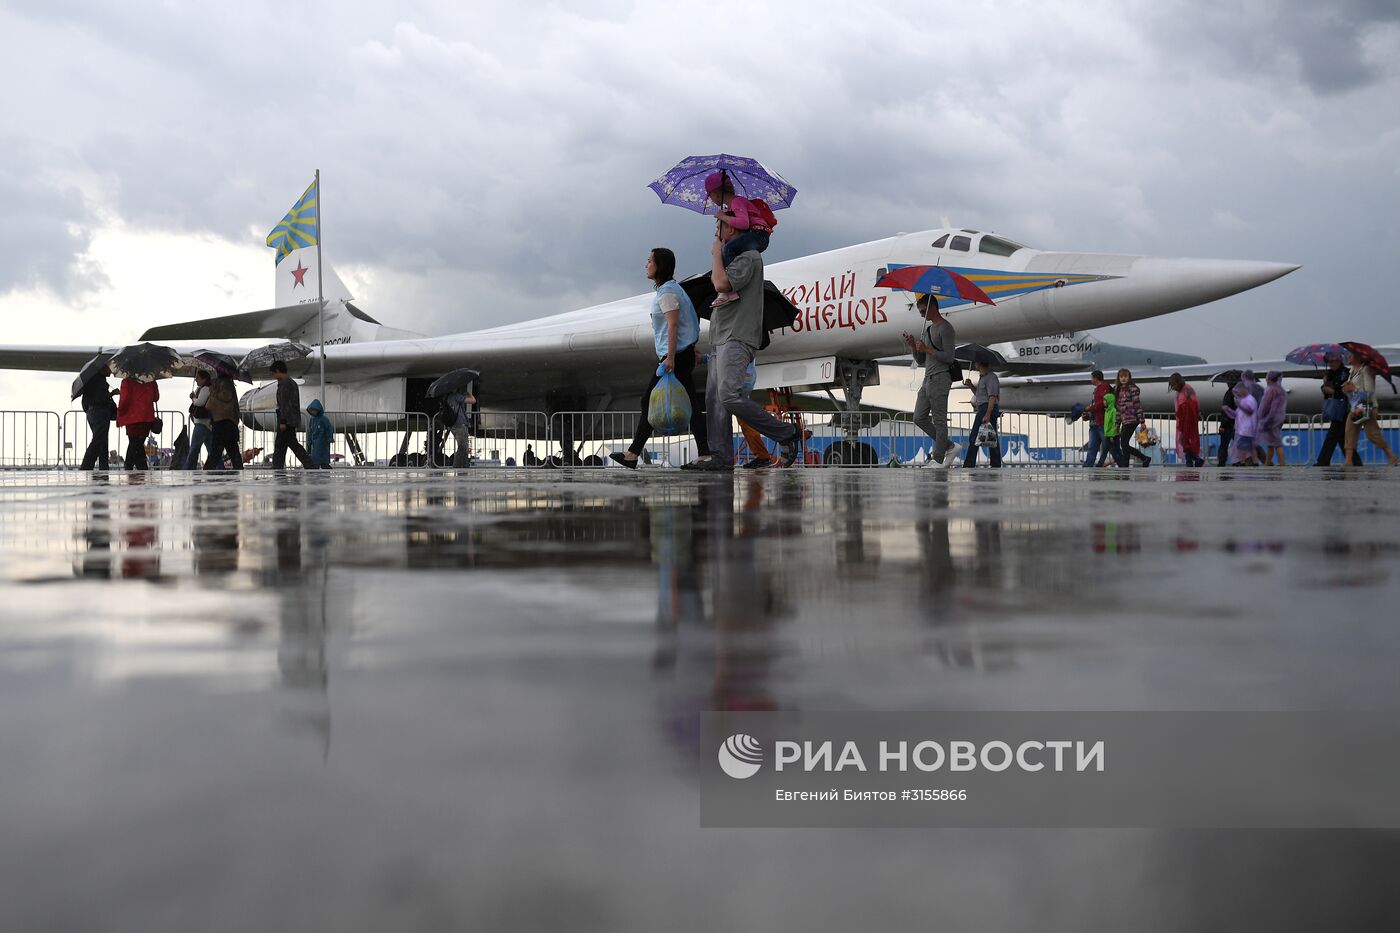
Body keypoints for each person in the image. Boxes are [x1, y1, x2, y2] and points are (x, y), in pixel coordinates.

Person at [696, 221, 799, 471]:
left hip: (737, 335)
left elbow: (721, 284)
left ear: (730, 230)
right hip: (721, 336)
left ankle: (786, 432)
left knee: (729, 396)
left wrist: (715, 254)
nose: (715, 235)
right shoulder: (734, 260)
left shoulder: (749, 258)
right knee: (715, 402)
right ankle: (720, 456)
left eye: (718, 229)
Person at [612, 248, 711, 470]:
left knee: (649, 400)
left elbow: (673, 324)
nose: (646, 265)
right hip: (680, 353)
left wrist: (672, 358)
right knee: (687, 404)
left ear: (660, 265)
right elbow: (688, 321)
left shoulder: (667, 292)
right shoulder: (673, 290)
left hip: (673, 356)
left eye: (649, 261)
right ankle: (635, 453)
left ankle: (634, 453)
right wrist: (689, 348)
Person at [905, 293, 961, 467]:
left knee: (939, 420)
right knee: (918, 417)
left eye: (923, 311)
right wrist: (914, 347)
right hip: (927, 378)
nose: (921, 314)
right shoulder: (928, 330)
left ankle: (938, 459)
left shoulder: (946, 328)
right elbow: (921, 361)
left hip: (941, 377)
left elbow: (950, 357)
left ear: (933, 307)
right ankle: (949, 446)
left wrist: (928, 350)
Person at [703, 172, 774, 309]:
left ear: (716, 192)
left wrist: (723, 217)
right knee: (727, 248)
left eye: (710, 195)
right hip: (756, 235)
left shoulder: (737, 201)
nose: (711, 199)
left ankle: (731, 288)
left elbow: (744, 224)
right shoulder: (732, 204)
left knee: (728, 248)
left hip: (758, 235)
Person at [1342, 350, 1399, 467]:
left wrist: (1354, 389)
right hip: (1354, 406)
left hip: (1367, 406)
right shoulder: (1352, 371)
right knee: (1349, 432)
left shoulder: (1366, 370)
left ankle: (1391, 456)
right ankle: (1348, 461)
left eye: (1351, 355)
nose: (1348, 357)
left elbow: (1369, 390)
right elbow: (1351, 392)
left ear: (1358, 357)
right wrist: (1346, 390)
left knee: (1372, 433)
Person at [1316, 351, 1361, 466]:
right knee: (1341, 437)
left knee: (1332, 436)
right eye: (1328, 362)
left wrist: (1334, 391)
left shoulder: (1346, 373)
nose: (1330, 364)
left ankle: (1322, 461)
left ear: (1339, 361)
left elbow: (1348, 391)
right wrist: (1325, 385)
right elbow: (1326, 391)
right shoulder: (1329, 374)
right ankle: (1355, 462)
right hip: (1335, 409)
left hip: (1345, 408)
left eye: (1332, 361)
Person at [269, 361, 312, 469]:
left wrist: (283, 421)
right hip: (290, 419)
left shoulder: (285, 384)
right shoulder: (290, 383)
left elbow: (285, 404)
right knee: (285, 444)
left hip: (286, 420)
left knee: (286, 444)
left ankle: (308, 464)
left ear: (278, 371)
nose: (273, 376)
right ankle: (278, 465)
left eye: (274, 373)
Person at [961, 360, 1002, 468]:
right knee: (992, 436)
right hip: (985, 407)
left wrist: (988, 413)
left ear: (980, 363)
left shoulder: (991, 377)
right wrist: (970, 385)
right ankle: (996, 463)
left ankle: (969, 464)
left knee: (974, 436)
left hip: (987, 408)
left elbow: (992, 397)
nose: (975, 364)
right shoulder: (983, 378)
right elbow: (980, 395)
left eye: (976, 362)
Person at [116, 374, 159, 470]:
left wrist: (120, 414)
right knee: (137, 443)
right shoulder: (151, 379)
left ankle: (141, 468)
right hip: (147, 416)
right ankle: (129, 466)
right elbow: (156, 397)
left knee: (135, 444)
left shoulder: (127, 380)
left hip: (132, 417)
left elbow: (124, 399)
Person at [78, 373, 119, 470]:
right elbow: (101, 398)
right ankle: (87, 465)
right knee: (99, 440)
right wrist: (112, 393)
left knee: (101, 440)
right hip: (100, 413)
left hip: (91, 412)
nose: (110, 372)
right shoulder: (99, 381)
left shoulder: (90, 379)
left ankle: (102, 466)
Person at [1112, 368, 1152, 467]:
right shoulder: (1117, 390)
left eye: (1125, 376)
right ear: (1118, 378)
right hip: (1124, 420)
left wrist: (1142, 421)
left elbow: (1137, 405)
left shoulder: (1132, 389)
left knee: (1124, 443)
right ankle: (1126, 464)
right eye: (1121, 377)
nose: (1123, 379)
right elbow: (1118, 409)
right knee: (1124, 443)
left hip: (1132, 419)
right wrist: (1117, 425)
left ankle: (1143, 458)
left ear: (1129, 377)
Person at [204, 374, 243, 470]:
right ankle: (238, 468)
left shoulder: (223, 385)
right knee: (232, 450)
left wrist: (213, 391)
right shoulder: (227, 383)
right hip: (228, 422)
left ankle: (208, 469)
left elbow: (225, 397)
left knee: (217, 450)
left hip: (222, 422)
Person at [1167, 373, 1205, 467]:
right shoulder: (1179, 392)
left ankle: (1193, 460)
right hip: (1182, 419)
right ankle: (1194, 460)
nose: (1173, 387)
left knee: (1187, 440)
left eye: (1174, 385)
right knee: (1183, 440)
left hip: (1189, 419)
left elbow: (1194, 403)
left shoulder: (1187, 389)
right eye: (1172, 386)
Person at [185, 370, 217, 469]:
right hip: (208, 423)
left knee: (194, 449)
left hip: (201, 423)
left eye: (198, 378)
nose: (196, 380)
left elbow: (199, 403)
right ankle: (218, 468)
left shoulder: (205, 389)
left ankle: (189, 468)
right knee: (212, 450)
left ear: (204, 379)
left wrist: (193, 398)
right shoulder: (207, 388)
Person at [1256, 371, 1288, 465]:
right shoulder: (1281, 390)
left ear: (1270, 379)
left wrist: (1261, 416)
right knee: (1271, 442)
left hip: (1271, 418)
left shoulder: (1270, 389)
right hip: (1279, 418)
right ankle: (1268, 462)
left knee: (1276, 442)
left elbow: (1265, 404)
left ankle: (1282, 463)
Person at [1223, 382, 1258, 465]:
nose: (1237, 394)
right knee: (1250, 446)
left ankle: (1242, 462)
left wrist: (1239, 405)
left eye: (1238, 391)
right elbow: (1236, 415)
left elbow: (1249, 411)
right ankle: (1253, 461)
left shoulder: (1250, 400)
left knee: (1241, 446)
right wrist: (1228, 410)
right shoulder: (1243, 400)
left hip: (1247, 429)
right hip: (1244, 429)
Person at [1081, 370, 1109, 467]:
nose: (1091, 380)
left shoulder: (1104, 388)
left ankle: (1099, 463)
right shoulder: (1096, 390)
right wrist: (1088, 415)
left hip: (1101, 423)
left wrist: (1090, 408)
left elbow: (1101, 404)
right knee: (1092, 447)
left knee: (1107, 445)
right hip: (1094, 423)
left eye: (1091, 378)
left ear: (1095, 378)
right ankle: (1089, 464)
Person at [443, 387, 475, 468]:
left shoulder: (446, 398)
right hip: (460, 424)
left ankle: (464, 465)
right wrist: (469, 394)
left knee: (464, 446)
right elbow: (473, 400)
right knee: (462, 447)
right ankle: (457, 465)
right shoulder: (456, 396)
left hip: (453, 425)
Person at [1216, 374, 1238, 466]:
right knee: (1238, 443)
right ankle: (1240, 461)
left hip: (1228, 423)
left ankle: (1222, 462)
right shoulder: (1238, 393)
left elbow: (1225, 410)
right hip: (1236, 423)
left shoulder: (1229, 393)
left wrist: (1222, 425)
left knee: (1224, 445)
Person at [305, 399, 334, 469]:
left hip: (323, 440)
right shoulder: (312, 420)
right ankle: (318, 465)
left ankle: (324, 465)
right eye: (312, 410)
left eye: (315, 410)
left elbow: (329, 428)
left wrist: (329, 437)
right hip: (316, 441)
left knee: (323, 454)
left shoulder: (324, 419)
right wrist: (309, 440)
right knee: (316, 454)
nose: (313, 412)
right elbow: (310, 430)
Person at [1097, 389, 1119, 466]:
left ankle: (1099, 465)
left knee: (1108, 451)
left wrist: (1113, 435)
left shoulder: (1113, 411)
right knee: (1107, 450)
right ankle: (1121, 463)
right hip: (1107, 434)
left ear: (1109, 401)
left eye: (1105, 400)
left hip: (1111, 435)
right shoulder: (1107, 411)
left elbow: (1114, 423)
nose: (1103, 402)